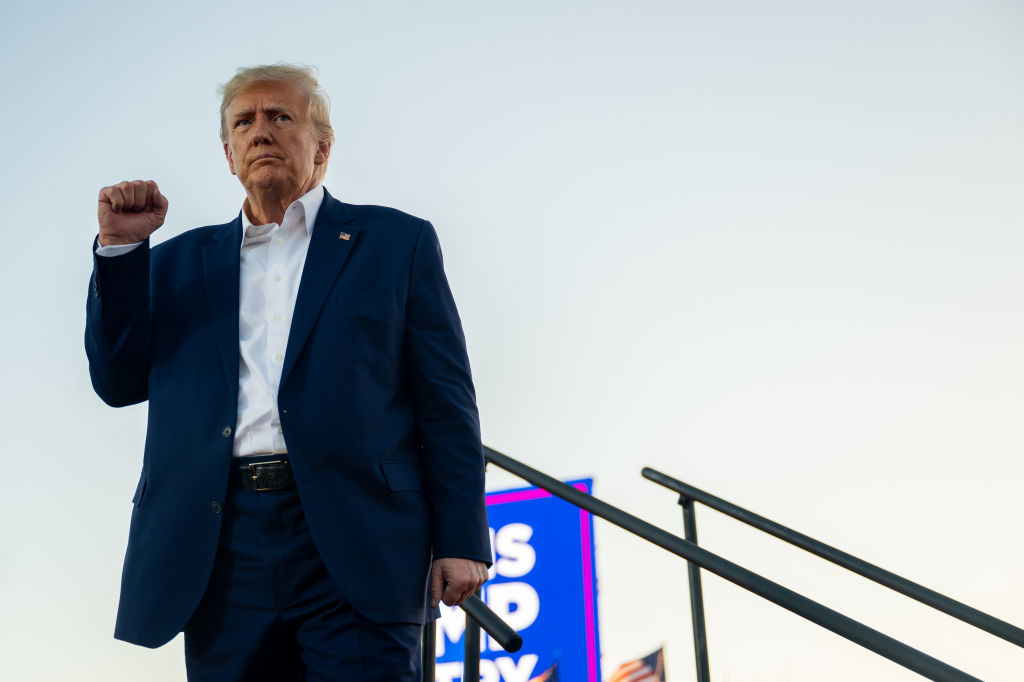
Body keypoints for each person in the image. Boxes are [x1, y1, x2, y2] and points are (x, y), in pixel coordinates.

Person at [85, 63, 491, 681]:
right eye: (244, 121)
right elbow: (117, 383)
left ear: (321, 146)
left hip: (358, 533)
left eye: (281, 116)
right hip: (219, 544)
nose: (261, 131)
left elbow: (446, 402)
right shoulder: (174, 265)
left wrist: (461, 537)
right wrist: (119, 252)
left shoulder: (395, 243)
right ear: (228, 153)